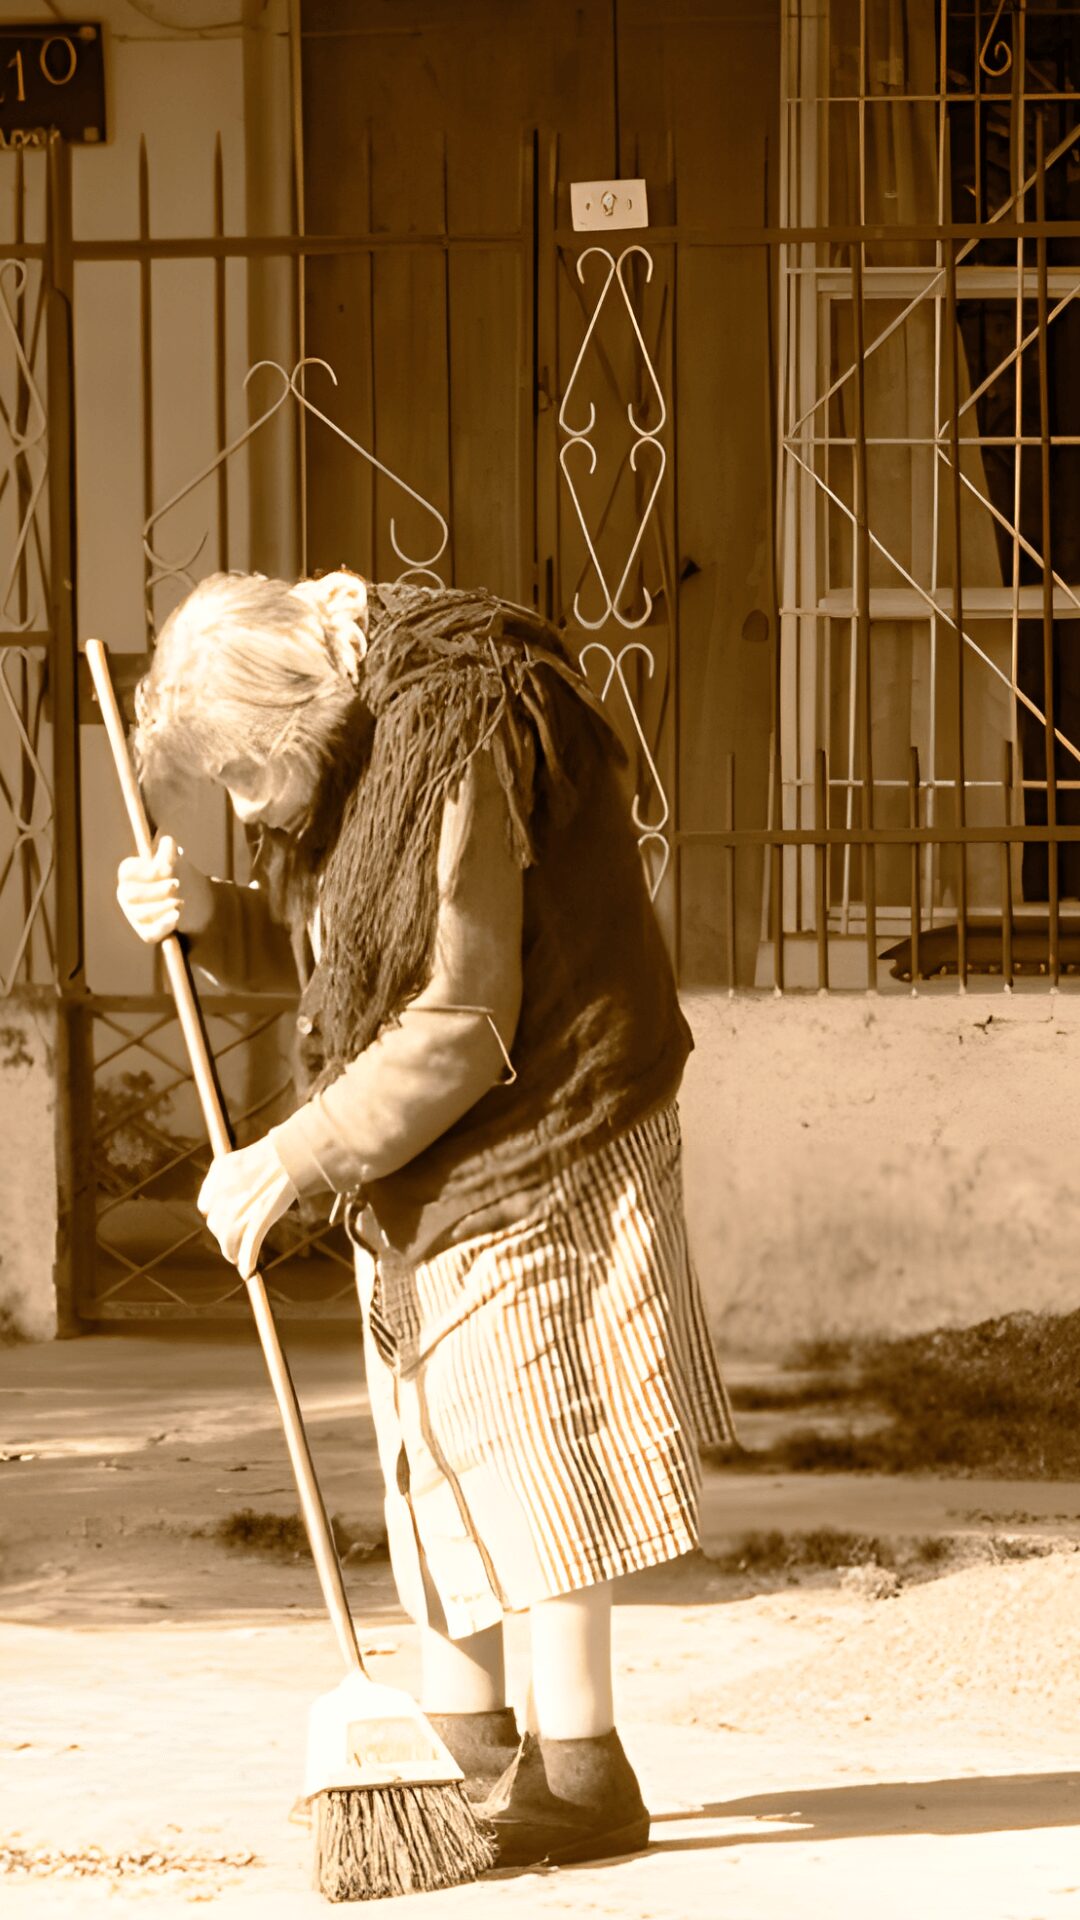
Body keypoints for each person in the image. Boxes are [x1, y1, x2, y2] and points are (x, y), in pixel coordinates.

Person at [116, 566, 736, 1868]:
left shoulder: (453, 741)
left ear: (298, 719)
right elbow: (351, 958)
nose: (244, 808)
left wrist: (292, 1154)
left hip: (548, 1114)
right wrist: (209, 920)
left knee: (533, 1433)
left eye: (245, 778)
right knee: (434, 1438)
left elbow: (458, 1023)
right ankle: (465, 1748)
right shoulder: (350, 748)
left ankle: (582, 1775)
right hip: (429, 1140)